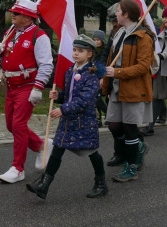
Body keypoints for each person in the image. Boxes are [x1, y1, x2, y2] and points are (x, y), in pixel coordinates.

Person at [25, 35, 107, 200]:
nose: (76, 54)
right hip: (69, 120)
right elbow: (70, 94)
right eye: (75, 50)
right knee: (58, 148)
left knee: (91, 152)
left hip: (83, 121)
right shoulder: (71, 70)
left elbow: (84, 100)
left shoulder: (92, 75)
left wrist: (63, 109)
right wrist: (59, 96)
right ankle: (44, 184)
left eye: (81, 51)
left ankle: (101, 183)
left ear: (90, 54)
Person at [0, 0, 51, 183]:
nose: (12, 15)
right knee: (11, 125)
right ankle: (41, 145)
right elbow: (9, 54)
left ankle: (18, 168)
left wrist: (38, 87)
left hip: (27, 85)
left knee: (18, 124)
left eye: (16, 13)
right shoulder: (11, 31)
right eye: (13, 12)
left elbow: (46, 64)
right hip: (12, 85)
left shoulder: (39, 35)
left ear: (27, 17)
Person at [101, 0, 154, 182]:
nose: (116, 14)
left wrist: (117, 72)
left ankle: (131, 167)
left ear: (126, 14)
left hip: (133, 88)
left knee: (130, 127)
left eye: (118, 11)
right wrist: (106, 81)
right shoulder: (119, 33)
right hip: (116, 86)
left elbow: (143, 67)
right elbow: (111, 59)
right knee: (114, 125)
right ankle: (138, 147)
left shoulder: (143, 36)